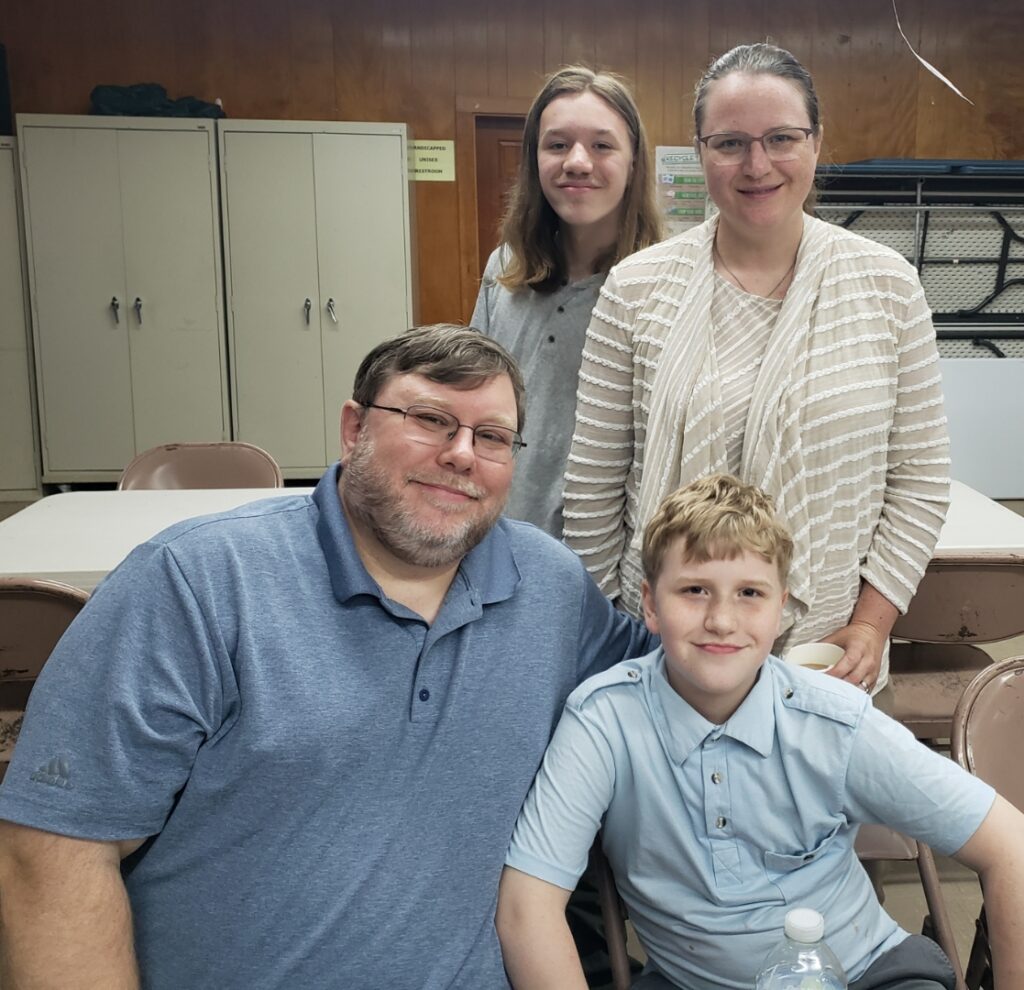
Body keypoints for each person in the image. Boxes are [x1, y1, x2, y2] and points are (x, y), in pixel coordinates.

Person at [0, 325, 656, 990]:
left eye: (491, 437)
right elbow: (54, 850)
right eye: (430, 419)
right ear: (353, 429)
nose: (462, 454)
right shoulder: (195, 584)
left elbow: (686, 672)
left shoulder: (549, 587)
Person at [497, 474, 1024, 990]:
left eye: (750, 592)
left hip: (866, 972)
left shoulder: (833, 721)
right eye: (695, 590)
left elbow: (1009, 845)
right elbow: (528, 907)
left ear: (782, 610)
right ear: (652, 605)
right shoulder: (603, 722)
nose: (722, 620)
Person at [562, 43, 951, 699]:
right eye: (730, 143)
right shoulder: (636, 288)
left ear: (817, 142)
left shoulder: (888, 286)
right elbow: (593, 492)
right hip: (659, 653)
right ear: (700, 151)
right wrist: (620, 636)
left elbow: (918, 480)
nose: (757, 164)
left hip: (822, 655)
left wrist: (871, 625)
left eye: (781, 138)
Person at [472, 65, 662, 538]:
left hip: (610, 551)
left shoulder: (664, 286)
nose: (577, 162)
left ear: (634, 160)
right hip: (502, 532)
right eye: (557, 144)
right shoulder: (505, 269)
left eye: (602, 145)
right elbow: (473, 401)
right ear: (535, 160)